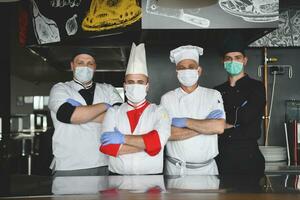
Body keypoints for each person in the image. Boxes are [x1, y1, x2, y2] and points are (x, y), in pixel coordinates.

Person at [48, 48, 123, 176]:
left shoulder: (108, 89)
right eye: (80, 63)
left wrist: (81, 113)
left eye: (90, 63)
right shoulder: (60, 89)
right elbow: (69, 115)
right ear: (72, 66)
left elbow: (120, 118)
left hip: (105, 162)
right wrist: (105, 106)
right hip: (69, 165)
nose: (85, 67)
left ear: (95, 67)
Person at [99, 43, 170, 175]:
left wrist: (122, 139)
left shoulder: (159, 111)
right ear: (124, 85)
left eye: (140, 82)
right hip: (118, 180)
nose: (135, 85)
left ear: (147, 86)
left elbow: (158, 143)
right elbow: (107, 147)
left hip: (151, 182)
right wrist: (146, 144)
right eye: (130, 82)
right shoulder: (113, 112)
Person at [160, 45, 226, 176]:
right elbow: (168, 134)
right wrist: (206, 124)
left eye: (191, 67)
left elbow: (219, 127)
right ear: (177, 72)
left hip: (207, 169)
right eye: (182, 68)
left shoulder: (213, 95)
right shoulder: (167, 98)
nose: (186, 71)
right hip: (176, 169)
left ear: (199, 70)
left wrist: (186, 122)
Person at [214, 34, 266, 177]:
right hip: (222, 155)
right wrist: (231, 121)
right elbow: (211, 121)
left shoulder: (257, 87)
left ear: (245, 60)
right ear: (223, 62)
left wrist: (221, 121)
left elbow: (246, 116)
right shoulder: (217, 91)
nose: (233, 61)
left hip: (248, 156)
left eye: (237, 58)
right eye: (228, 59)